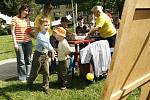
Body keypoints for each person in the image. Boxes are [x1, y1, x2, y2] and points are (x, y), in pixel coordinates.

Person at [27, 17, 56, 93]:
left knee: (46, 72)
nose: (47, 27)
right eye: (45, 25)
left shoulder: (47, 33)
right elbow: (46, 44)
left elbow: (48, 43)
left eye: (48, 25)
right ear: (40, 26)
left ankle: (45, 87)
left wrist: (51, 51)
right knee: (35, 72)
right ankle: (29, 83)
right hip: (38, 55)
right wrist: (52, 50)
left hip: (45, 54)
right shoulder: (40, 36)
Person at [11, 4, 32, 83]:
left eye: (28, 11)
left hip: (28, 42)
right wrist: (15, 43)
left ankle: (28, 76)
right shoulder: (14, 19)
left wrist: (33, 32)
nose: (26, 12)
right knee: (21, 60)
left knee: (28, 60)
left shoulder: (27, 19)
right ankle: (22, 77)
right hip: (19, 43)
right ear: (21, 10)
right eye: (25, 10)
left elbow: (29, 31)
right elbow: (12, 32)